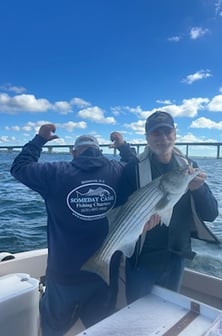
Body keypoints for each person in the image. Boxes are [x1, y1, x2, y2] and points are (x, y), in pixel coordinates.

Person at [10, 124, 136, 336]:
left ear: (74, 152)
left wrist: (39, 139)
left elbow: (19, 167)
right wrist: (123, 146)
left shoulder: (55, 172)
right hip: (104, 276)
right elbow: (135, 165)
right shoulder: (119, 170)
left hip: (63, 276)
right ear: (100, 150)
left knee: (53, 331)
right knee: (100, 331)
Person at [116, 111, 219, 304]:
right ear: (147, 138)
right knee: (137, 319)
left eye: (167, 131)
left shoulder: (188, 167)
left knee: (167, 316)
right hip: (142, 261)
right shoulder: (133, 168)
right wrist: (138, 226)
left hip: (176, 258)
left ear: (175, 134)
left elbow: (211, 214)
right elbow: (122, 212)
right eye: (156, 133)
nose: (163, 138)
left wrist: (198, 190)